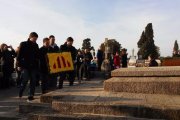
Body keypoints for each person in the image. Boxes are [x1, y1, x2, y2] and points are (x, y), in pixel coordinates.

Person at [17, 32, 40, 102]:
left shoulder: (36, 45)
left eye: (36, 39)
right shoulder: (23, 44)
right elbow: (19, 55)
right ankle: (21, 91)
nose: (35, 40)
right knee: (25, 80)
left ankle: (30, 95)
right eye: (34, 38)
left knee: (33, 81)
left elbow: (37, 55)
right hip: (25, 66)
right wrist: (19, 65)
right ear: (30, 37)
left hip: (33, 66)